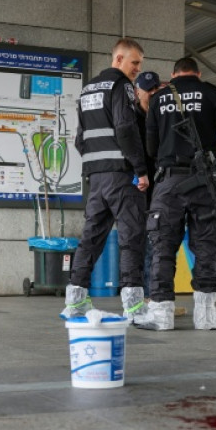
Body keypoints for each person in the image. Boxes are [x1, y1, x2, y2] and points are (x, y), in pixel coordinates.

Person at [132, 57, 216, 330]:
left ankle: (162, 314)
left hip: (168, 181)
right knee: (206, 247)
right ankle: (205, 314)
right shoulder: (212, 93)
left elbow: (152, 148)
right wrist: (211, 148)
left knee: (163, 247)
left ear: (173, 73)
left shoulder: (159, 98)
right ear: (198, 73)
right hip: (204, 180)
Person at [60, 38, 150, 319]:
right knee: (131, 236)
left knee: (91, 237)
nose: (136, 69)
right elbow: (125, 128)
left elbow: (79, 138)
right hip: (122, 175)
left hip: (96, 177)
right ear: (119, 59)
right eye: (134, 62)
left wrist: (94, 162)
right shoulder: (121, 86)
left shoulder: (88, 90)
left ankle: (75, 300)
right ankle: (134, 305)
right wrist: (141, 168)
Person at [134, 70, 164, 297]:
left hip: (161, 189)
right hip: (138, 189)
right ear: (137, 92)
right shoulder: (130, 117)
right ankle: (144, 294)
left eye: (156, 89)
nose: (153, 93)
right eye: (148, 90)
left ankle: (155, 293)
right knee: (142, 243)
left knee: (157, 242)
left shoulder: (163, 115)